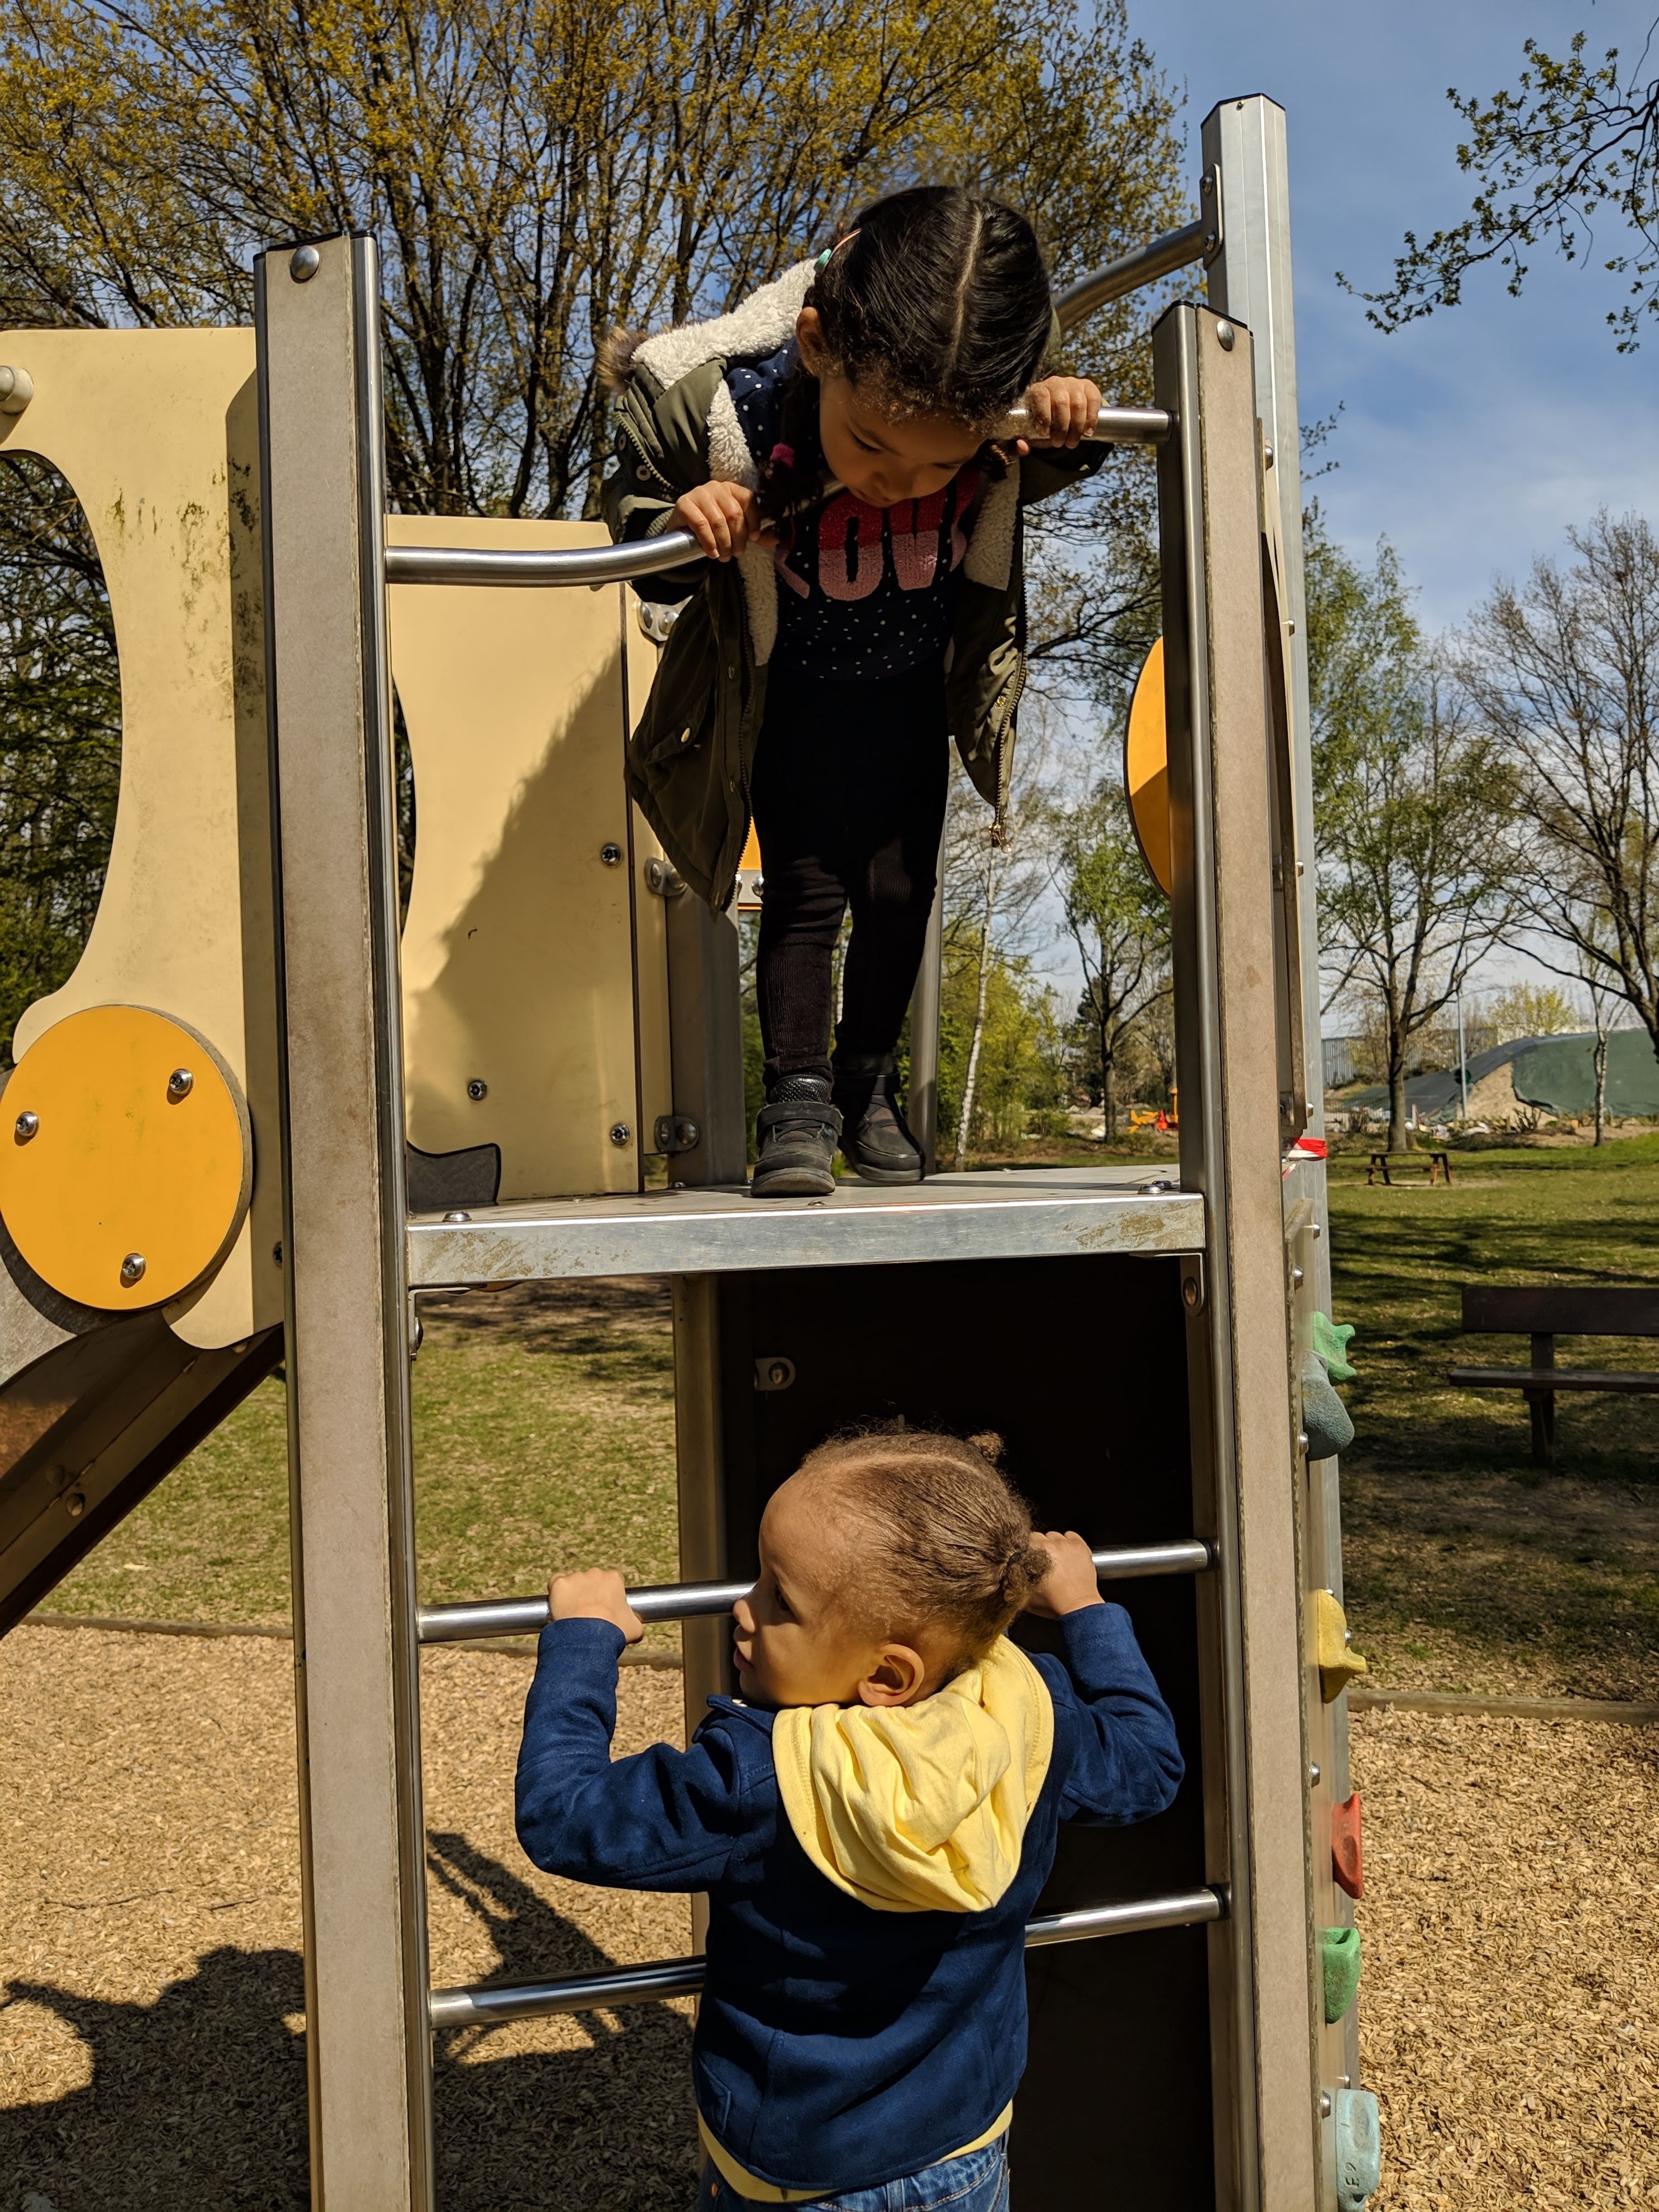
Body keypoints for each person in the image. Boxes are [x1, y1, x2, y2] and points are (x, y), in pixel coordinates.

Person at [516, 1427, 1183, 2209]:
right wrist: (1087, 1607)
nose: (741, 1607)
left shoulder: (763, 1778)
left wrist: (582, 1641)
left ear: (887, 1675)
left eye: (779, 1599)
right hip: (962, 2148)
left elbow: (563, 1816)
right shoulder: (1031, 1720)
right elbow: (1148, 1763)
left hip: (801, 2173)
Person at [603, 187, 1105, 1197]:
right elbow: (633, 535)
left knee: (900, 896)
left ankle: (867, 1087)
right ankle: (794, 1100)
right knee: (803, 896)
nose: (899, 482)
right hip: (792, 697)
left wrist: (1070, 420)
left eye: (939, 464)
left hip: (910, 695)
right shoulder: (735, 407)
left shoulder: (978, 411)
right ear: (820, 344)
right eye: (873, 446)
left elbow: (1046, 469)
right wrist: (687, 515)